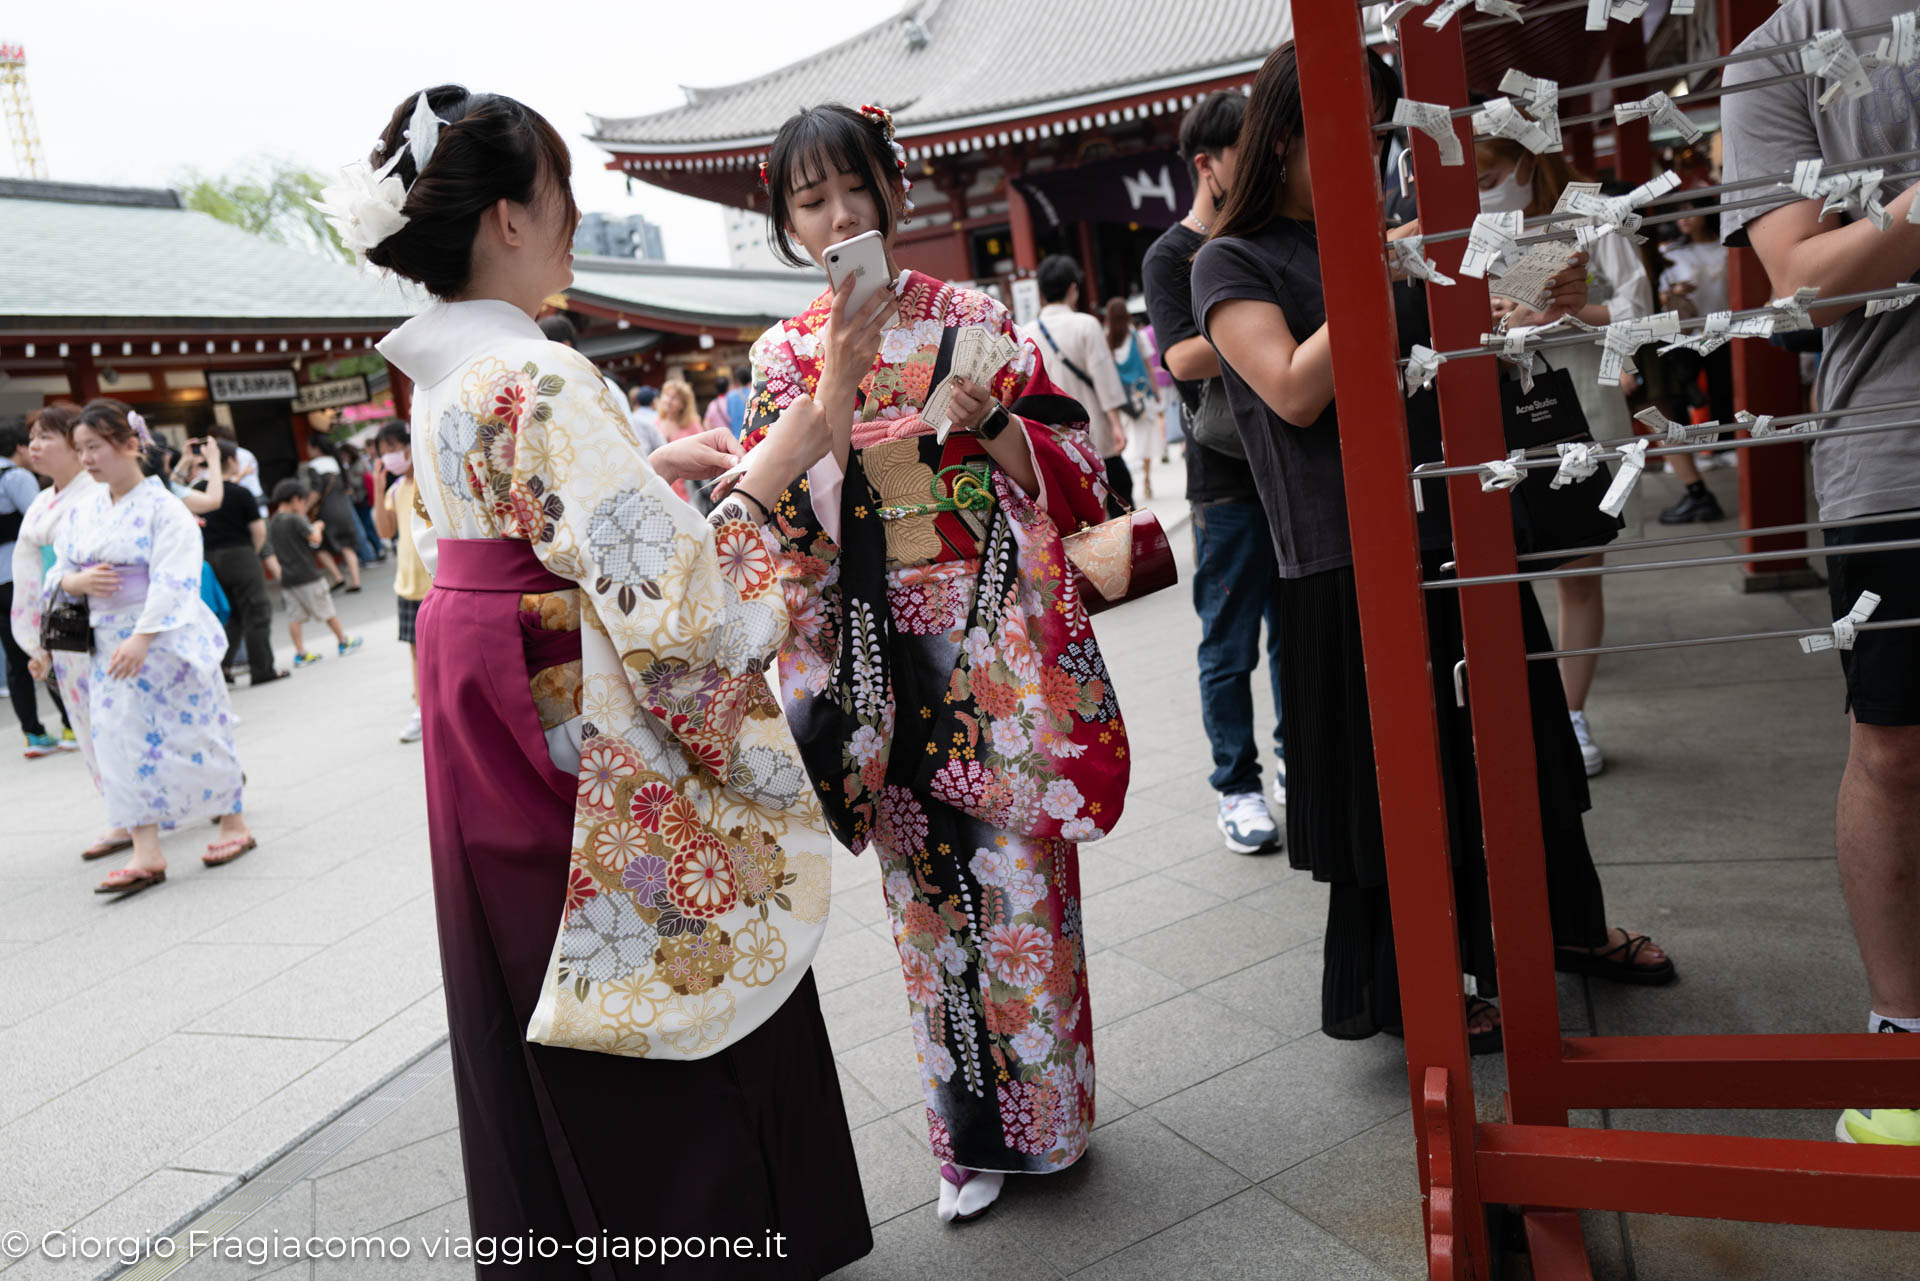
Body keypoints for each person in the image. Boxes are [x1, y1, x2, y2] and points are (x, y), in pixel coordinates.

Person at [356, 83, 871, 1275]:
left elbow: (521, 529)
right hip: (579, 732)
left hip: (489, 712)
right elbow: (683, 619)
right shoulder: (539, 380)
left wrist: (640, 467)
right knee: (663, 964)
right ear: (505, 220)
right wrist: (795, 440)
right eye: (560, 194)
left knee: (538, 971)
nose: (576, 218)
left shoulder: (445, 383)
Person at [1193, 41, 1675, 1050]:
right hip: (1346, 559)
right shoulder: (1232, 260)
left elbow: (1459, 361)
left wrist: (1528, 303)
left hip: (1458, 524)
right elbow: (1289, 386)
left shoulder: (1399, 245)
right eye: (1345, 126)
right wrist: (1379, 260)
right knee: (1396, 793)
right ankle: (1415, 979)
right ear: (1285, 133)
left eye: (1379, 129)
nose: (1368, 149)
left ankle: (1563, 930)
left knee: (1523, 746)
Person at [746, 100, 1124, 1225]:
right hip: (872, 646)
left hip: (990, 630)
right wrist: (829, 427)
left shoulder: (969, 314)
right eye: (809, 201)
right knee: (925, 899)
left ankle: (1055, 1119)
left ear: (891, 191)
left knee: (1019, 875)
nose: (837, 215)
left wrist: (993, 429)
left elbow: (1074, 461)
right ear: (786, 222)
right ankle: (966, 1140)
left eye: (851, 189)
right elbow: (780, 530)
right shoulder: (783, 354)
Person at [1720, 0, 1920, 1147]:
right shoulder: (1773, 51)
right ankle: (1903, 1033)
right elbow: (1804, 277)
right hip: (1893, 451)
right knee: (1894, 745)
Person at [1474, 138, 1655, 778]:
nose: (1484, 190)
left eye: (1491, 174)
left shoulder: (1586, 212)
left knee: (1578, 570)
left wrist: (1565, 313)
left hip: (1578, 406)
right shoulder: (1458, 222)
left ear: (1526, 160)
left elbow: (1640, 312)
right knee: (1495, 573)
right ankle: (1510, 712)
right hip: (1490, 417)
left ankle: (1570, 714)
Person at [1142, 88, 1287, 854]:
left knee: (1294, 629)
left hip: (1287, 458)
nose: (1269, 162)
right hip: (1226, 473)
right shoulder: (1172, 254)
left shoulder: (1270, 233)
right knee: (1228, 641)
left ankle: (1298, 759)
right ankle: (1236, 785)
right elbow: (1180, 358)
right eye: (1253, 150)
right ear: (1210, 164)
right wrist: (1260, 319)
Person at [51, 401, 255, 896]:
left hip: (164, 637)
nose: (87, 459)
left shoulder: (166, 507)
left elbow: (176, 576)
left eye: (94, 447)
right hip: (106, 639)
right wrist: (76, 579)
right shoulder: (84, 510)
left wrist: (143, 635)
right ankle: (146, 850)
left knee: (195, 728)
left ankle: (233, 823)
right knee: (118, 741)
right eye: (80, 450)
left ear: (130, 444)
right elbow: (60, 570)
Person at [11, 408, 111, 854]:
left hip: (105, 615)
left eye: (45, 436)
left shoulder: (97, 493)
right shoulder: (40, 502)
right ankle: (120, 811)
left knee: (120, 714)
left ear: (76, 445)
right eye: (31, 438)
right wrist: (36, 641)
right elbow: (29, 572)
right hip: (63, 622)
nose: (34, 446)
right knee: (86, 718)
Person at [1018, 254, 1133, 515]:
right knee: (1118, 503)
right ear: (1073, 288)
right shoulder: (1086, 325)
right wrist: (1116, 424)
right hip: (1093, 432)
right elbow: (1104, 378)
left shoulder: (1026, 332)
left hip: (1049, 441)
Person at [181, 437, 285, 687]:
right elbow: (259, 530)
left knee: (228, 614)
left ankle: (221, 666)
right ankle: (262, 669)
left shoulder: (193, 491)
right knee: (256, 611)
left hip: (206, 559)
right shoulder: (240, 492)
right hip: (239, 554)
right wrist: (252, 552)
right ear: (229, 460)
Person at [1654, 204, 1735, 524]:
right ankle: (1689, 451)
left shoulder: (1728, 246)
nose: (1684, 218)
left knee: (1723, 386)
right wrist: (1673, 292)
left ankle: (1725, 446)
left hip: (1723, 327)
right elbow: (1657, 296)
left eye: (1692, 212)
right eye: (1680, 212)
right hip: (1683, 333)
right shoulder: (1669, 252)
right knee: (1682, 395)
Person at [1, 416, 73, 757]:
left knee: (18, 658)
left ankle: (32, 732)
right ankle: (71, 723)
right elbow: (43, 521)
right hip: (25, 578)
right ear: (19, 446)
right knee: (52, 647)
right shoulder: (14, 477)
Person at [371, 422, 431, 743]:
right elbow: (384, 531)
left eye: (394, 449)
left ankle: (434, 707)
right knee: (415, 652)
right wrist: (379, 492)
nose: (390, 457)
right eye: (384, 453)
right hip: (407, 584)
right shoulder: (396, 490)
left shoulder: (428, 480)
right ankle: (422, 710)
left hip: (435, 581)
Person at [266, 480, 362, 667]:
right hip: (308, 575)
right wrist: (317, 526)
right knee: (327, 609)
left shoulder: (274, 521)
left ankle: (300, 653)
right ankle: (343, 641)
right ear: (295, 500)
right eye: (302, 501)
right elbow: (315, 538)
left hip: (288, 578)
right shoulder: (295, 519)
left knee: (294, 617)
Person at [1106, 298, 1159, 498]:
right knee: (1146, 437)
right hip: (1142, 395)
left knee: (1126, 438)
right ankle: (1146, 477)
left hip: (1121, 399)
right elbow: (1148, 365)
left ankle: (1133, 477)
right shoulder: (1137, 337)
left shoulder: (1107, 340)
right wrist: (1156, 390)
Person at [302, 439, 364, 591]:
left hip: (326, 511)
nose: (308, 450)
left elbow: (316, 492)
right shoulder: (337, 463)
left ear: (317, 448)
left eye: (309, 446)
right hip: (344, 508)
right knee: (347, 545)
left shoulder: (314, 466)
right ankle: (355, 581)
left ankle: (337, 577)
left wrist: (304, 509)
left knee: (319, 546)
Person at [340, 442, 387, 563]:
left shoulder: (357, 465)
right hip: (359, 500)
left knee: (368, 525)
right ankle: (378, 549)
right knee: (367, 525)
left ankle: (379, 548)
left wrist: (349, 482)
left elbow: (358, 481)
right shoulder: (351, 465)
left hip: (363, 499)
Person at [723, 362, 753, 437]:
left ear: (737, 380)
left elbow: (729, 414)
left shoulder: (730, 396)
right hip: (752, 433)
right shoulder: (754, 393)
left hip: (737, 435)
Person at [702, 371, 734, 436]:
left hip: (720, 440)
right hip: (735, 437)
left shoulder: (712, 404)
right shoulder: (733, 401)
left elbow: (706, 423)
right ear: (728, 387)